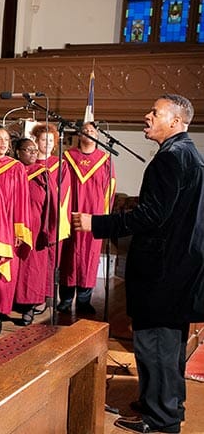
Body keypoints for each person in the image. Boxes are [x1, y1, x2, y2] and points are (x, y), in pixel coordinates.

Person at [73, 94, 204, 434]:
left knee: (155, 345)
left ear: (174, 121)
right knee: (169, 346)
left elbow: (151, 216)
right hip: (179, 267)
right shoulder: (189, 154)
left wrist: (96, 224)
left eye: (155, 112)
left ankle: (160, 419)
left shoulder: (170, 159)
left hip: (162, 272)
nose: (147, 116)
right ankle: (165, 404)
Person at [59, 121, 115, 314]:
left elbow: (110, 190)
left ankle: (84, 300)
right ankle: (65, 299)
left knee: (89, 258)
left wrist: (104, 219)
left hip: (94, 214)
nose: (89, 133)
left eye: (92, 131)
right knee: (68, 255)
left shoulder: (105, 159)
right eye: (86, 131)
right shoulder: (67, 157)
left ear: (98, 136)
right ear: (79, 135)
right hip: (71, 212)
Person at [0, 124, 31, 333]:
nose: (3, 143)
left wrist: (20, 230)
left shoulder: (16, 167)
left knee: (3, 273)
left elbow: (22, 200)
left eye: (6, 140)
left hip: (8, 226)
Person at [12, 138, 56, 325]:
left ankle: (29, 308)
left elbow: (52, 204)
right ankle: (10, 304)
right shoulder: (11, 171)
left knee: (33, 269)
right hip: (12, 226)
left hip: (36, 227)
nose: (33, 153)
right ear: (18, 152)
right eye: (28, 150)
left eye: (34, 150)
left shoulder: (42, 173)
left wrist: (49, 228)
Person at [31, 122, 72, 306]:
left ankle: (47, 297)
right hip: (33, 217)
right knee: (33, 260)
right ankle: (32, 297)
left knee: (51, 259)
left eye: (50, 140)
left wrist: (57, 219)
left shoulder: (60, 165)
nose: (46, 143)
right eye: (43, 139)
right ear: (36, 141)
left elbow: (65, 193)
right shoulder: (28, 164)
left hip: (52, 217)